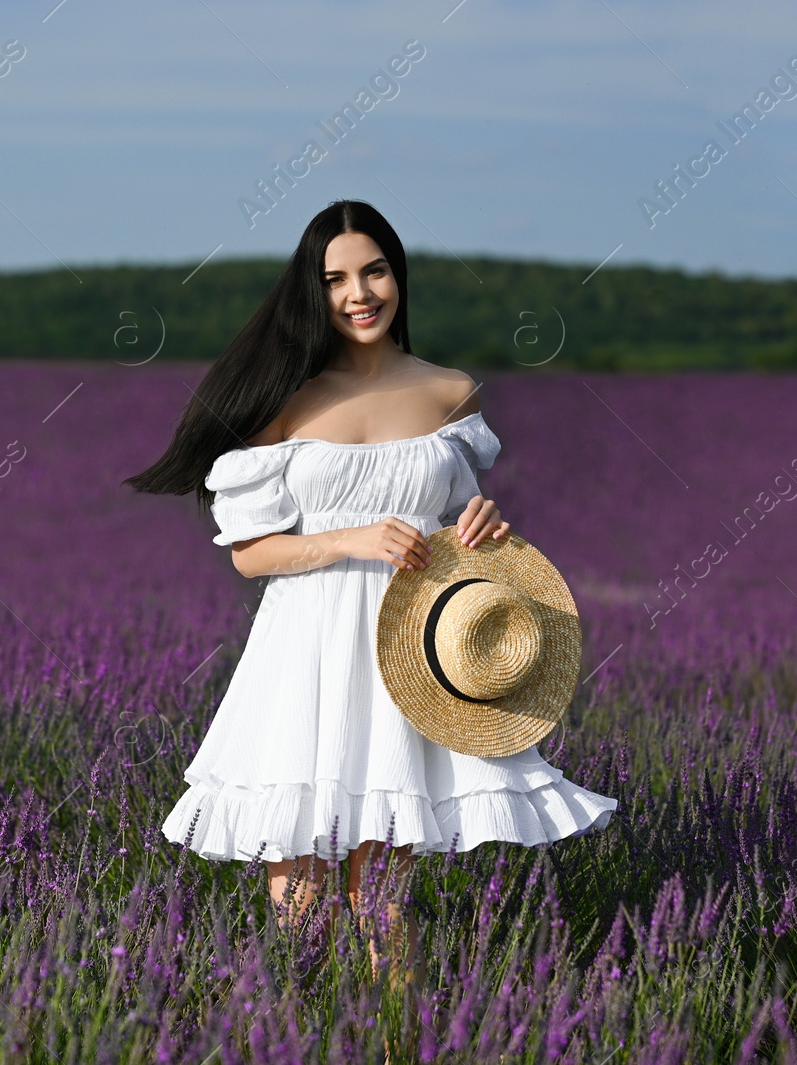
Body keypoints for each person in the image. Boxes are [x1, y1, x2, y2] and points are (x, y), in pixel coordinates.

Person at [124, 199, 617, 1043]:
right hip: (308, 650)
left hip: (410, 648)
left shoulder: (449, 393)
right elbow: (250, 553)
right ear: (310, 293)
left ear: (399, 274)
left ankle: (399, 1041)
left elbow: (461, 524)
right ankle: (288, 1038)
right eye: (336, 279)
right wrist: (346, 537)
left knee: (384, 895)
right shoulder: (282, 402)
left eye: (375, 270)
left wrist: (484, 526)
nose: (360, 293)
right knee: (299, 891)